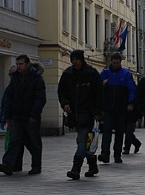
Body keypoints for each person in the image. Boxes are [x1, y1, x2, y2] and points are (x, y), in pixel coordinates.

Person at [0, 55, 46, 176]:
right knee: (14, 140)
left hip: (31, 116)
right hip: (17, 115)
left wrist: (34, 114)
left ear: (28, 64)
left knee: (34, 142)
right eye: (17, 64)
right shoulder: (15, 78)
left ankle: (36, 166)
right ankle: (7, 165)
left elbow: (40, 99)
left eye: (21, 64)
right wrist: (7, 116)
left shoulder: (37, 79)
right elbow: (9, 98)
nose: (18, 66)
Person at [58, 49, 103, 179]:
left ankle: (76, 168)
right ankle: (93, 166)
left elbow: (99, 94)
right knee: (86, 141)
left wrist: (98, 112)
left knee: (82, 141)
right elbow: (62, 92)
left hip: (89, 114)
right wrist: (65, 103)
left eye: (77, 59)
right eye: (73, 60)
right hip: (74, 114)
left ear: (82, 60)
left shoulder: (91, 74)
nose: (75, 62)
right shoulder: (67, 74)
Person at [99, 53, 136, 163]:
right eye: (113, 62)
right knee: (106, 132)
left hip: (121, 108)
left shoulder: (125, 74)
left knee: (120, 133)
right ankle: (105, 154)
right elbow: (96, 88)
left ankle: (117, 155)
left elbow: (132, 90)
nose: (115, 64)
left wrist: (131, 103)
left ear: (120, 62)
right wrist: (102, 84)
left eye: (117, 62)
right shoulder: (105, 73)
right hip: (108, 108)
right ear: (111, 61)